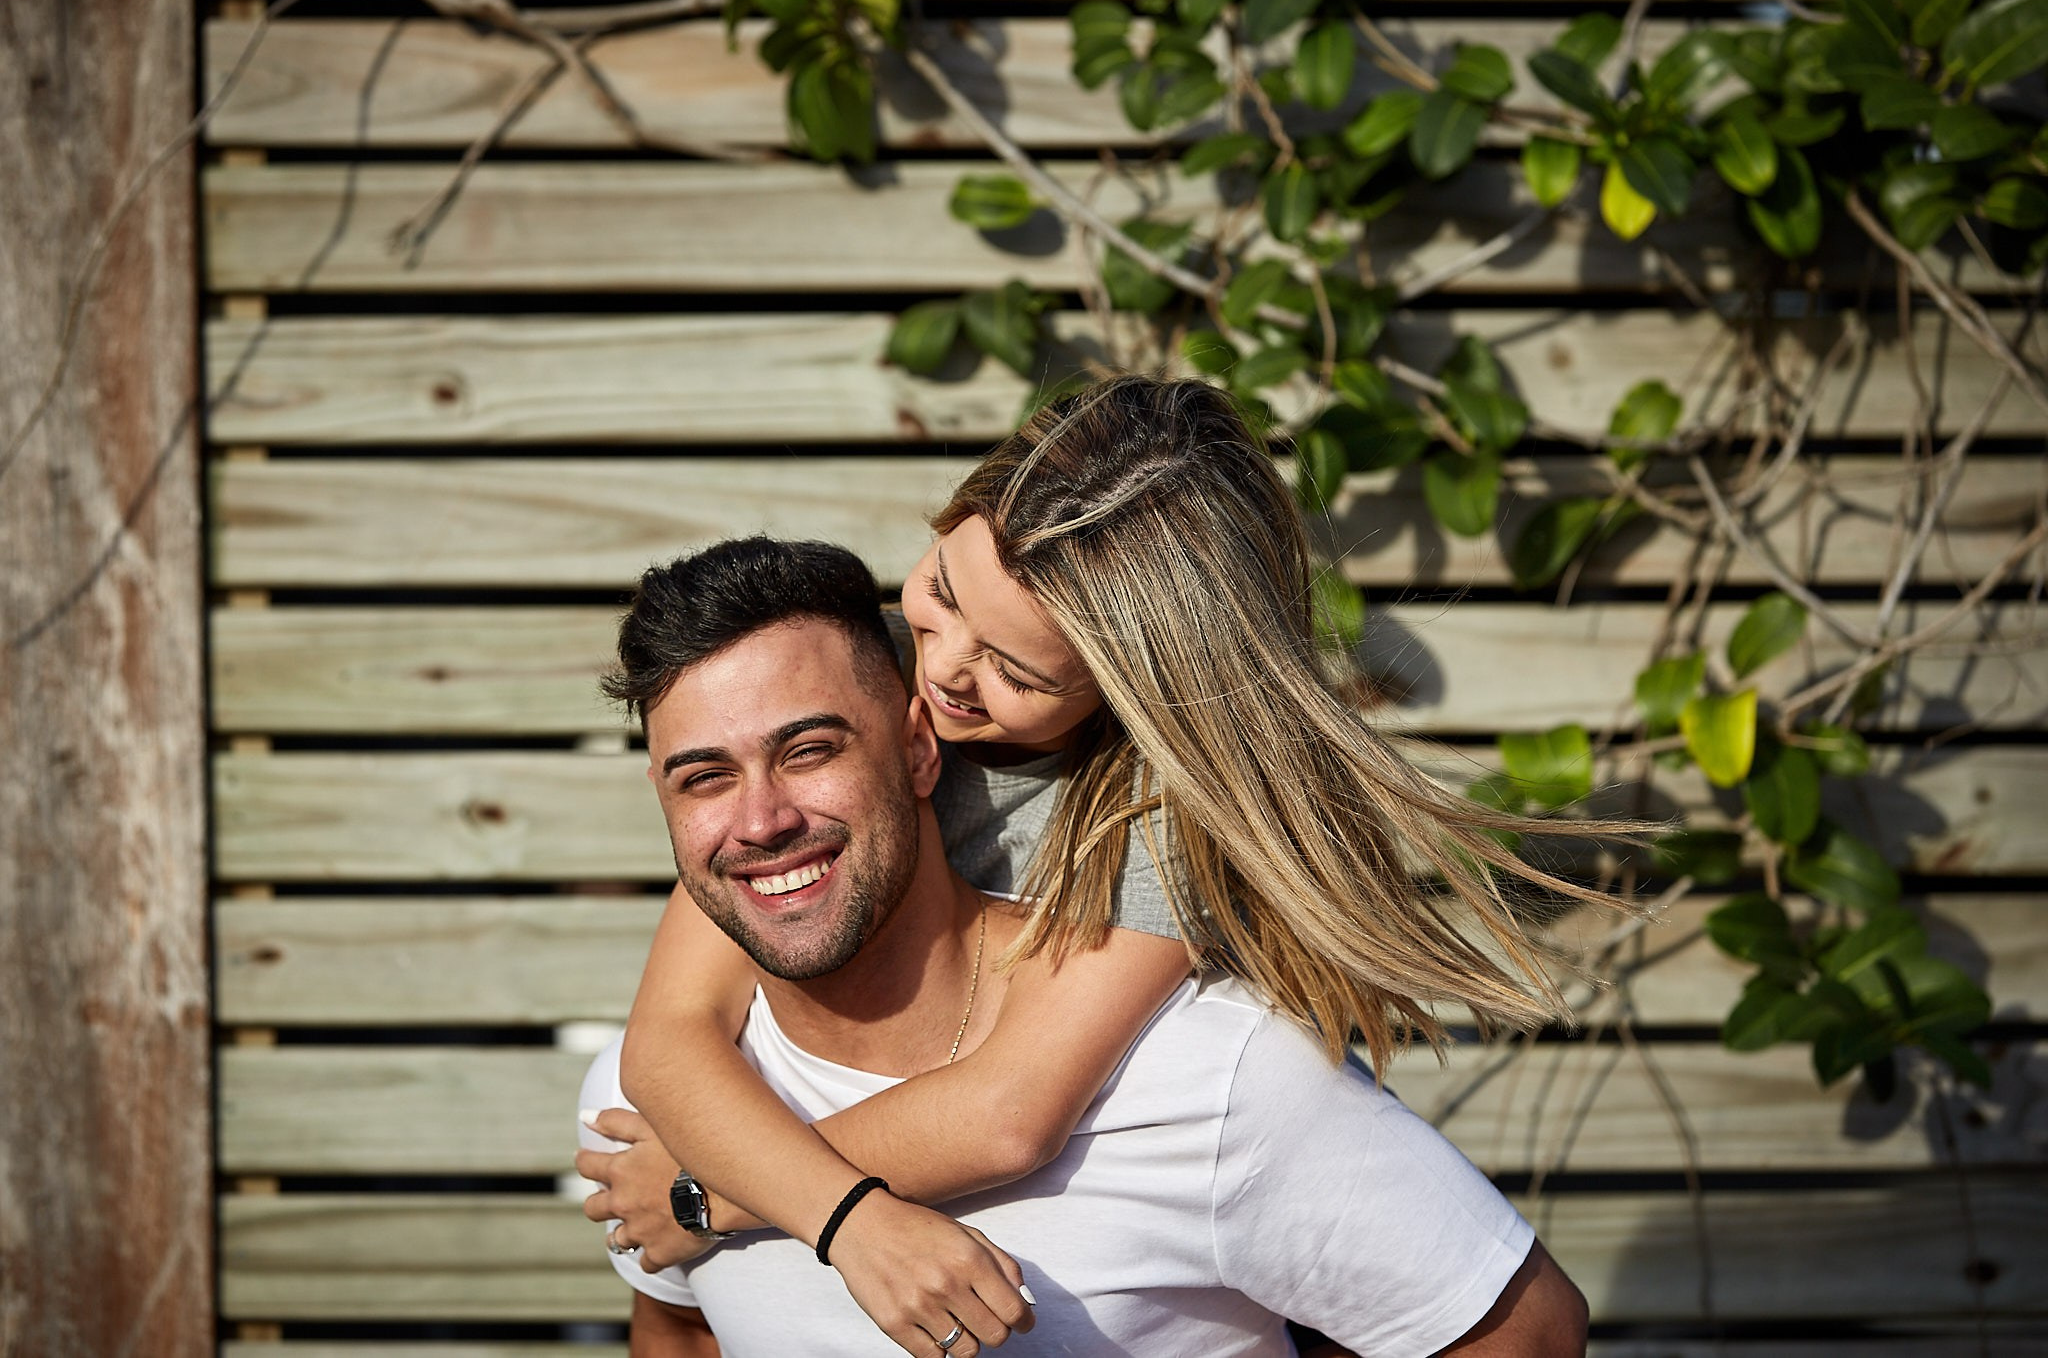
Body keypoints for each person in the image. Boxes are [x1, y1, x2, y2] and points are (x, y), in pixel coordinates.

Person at [591, 377, 1627, 1350]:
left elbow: (1007, 1114)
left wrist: (715, 1193)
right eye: (940, 590)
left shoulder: (1161, 818)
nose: (944, 669)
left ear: (1135, 686)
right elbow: (673, 1025)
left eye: (1014, 667)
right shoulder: (863, 703)